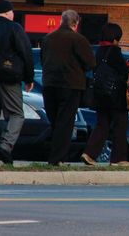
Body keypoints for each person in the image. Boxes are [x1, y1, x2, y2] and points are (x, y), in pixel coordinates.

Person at [0, 0, 34, 165]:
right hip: (10, 78)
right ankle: (5, 145)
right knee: (16, 114)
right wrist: (29, 78)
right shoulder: (15, 28)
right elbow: (26, 53)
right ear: (9, 12)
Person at [40, 10, 95, 166]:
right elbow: (90, 63)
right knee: (65, 123)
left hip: (49, 84)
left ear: (61, 21)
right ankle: (57, 159)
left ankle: (54, 156)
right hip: (70, 85)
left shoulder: (48, 38)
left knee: (54, 121)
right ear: (76, 24)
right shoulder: (79, 40)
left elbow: (42, 60)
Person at [81, 23, 129, 167]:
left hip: (100, 95)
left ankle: (89, 154)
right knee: (120, 125)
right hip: (115, 97)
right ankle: (118, 159)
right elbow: (123, 72)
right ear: (115, 36)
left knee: (102, 125)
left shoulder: (99, 50)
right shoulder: (114, 51)